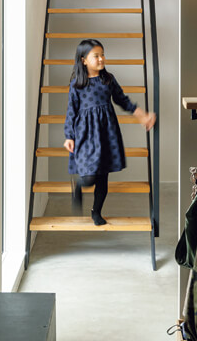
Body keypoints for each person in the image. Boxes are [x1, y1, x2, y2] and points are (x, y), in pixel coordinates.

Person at [62, 39, 156, 225]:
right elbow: (71, 112)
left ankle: (96, 212)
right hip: (85, 136)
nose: (101, 59)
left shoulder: (108, 79)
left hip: (106, 133)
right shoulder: (77, 85)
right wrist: (69, 136)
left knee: (103, 178)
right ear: (84, 60)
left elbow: (123, 100)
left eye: (102, 54)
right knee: (90, 177)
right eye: (96, 56)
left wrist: (142, 115)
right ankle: (79, 186)